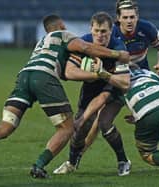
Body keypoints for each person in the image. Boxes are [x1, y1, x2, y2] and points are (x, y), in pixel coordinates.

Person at [0, 14, 130, 178]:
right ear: (61, 25)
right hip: (44, 77)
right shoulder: (64, 34)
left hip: (24, 76)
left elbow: (68, 69)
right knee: (67, 128)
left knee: (6, 125)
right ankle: (39, 166)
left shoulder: (41, 42)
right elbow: (84, 48)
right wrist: (117, 55)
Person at [82, 0, 159, 155]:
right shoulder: (111, 33)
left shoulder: (147, 28)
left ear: (137, 17)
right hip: (117, 78)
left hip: (141, 78)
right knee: (99, 120)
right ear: (118, 18)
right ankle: (76, 157)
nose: (129, 21)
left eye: (132, 17)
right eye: (125, 17)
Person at [53, 12, 131, 176]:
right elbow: (70, 72)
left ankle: (123, 161)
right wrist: (96, 75)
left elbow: (124, 83)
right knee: (81, 130)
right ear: (91, 29)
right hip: (93, 85)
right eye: (96, 31)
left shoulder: (118, 47)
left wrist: (104, 74)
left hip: (114, 86)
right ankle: (72, 163)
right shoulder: (84, 42)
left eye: (104, 32)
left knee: (104, 123)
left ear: (111, 31)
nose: (99, 35)